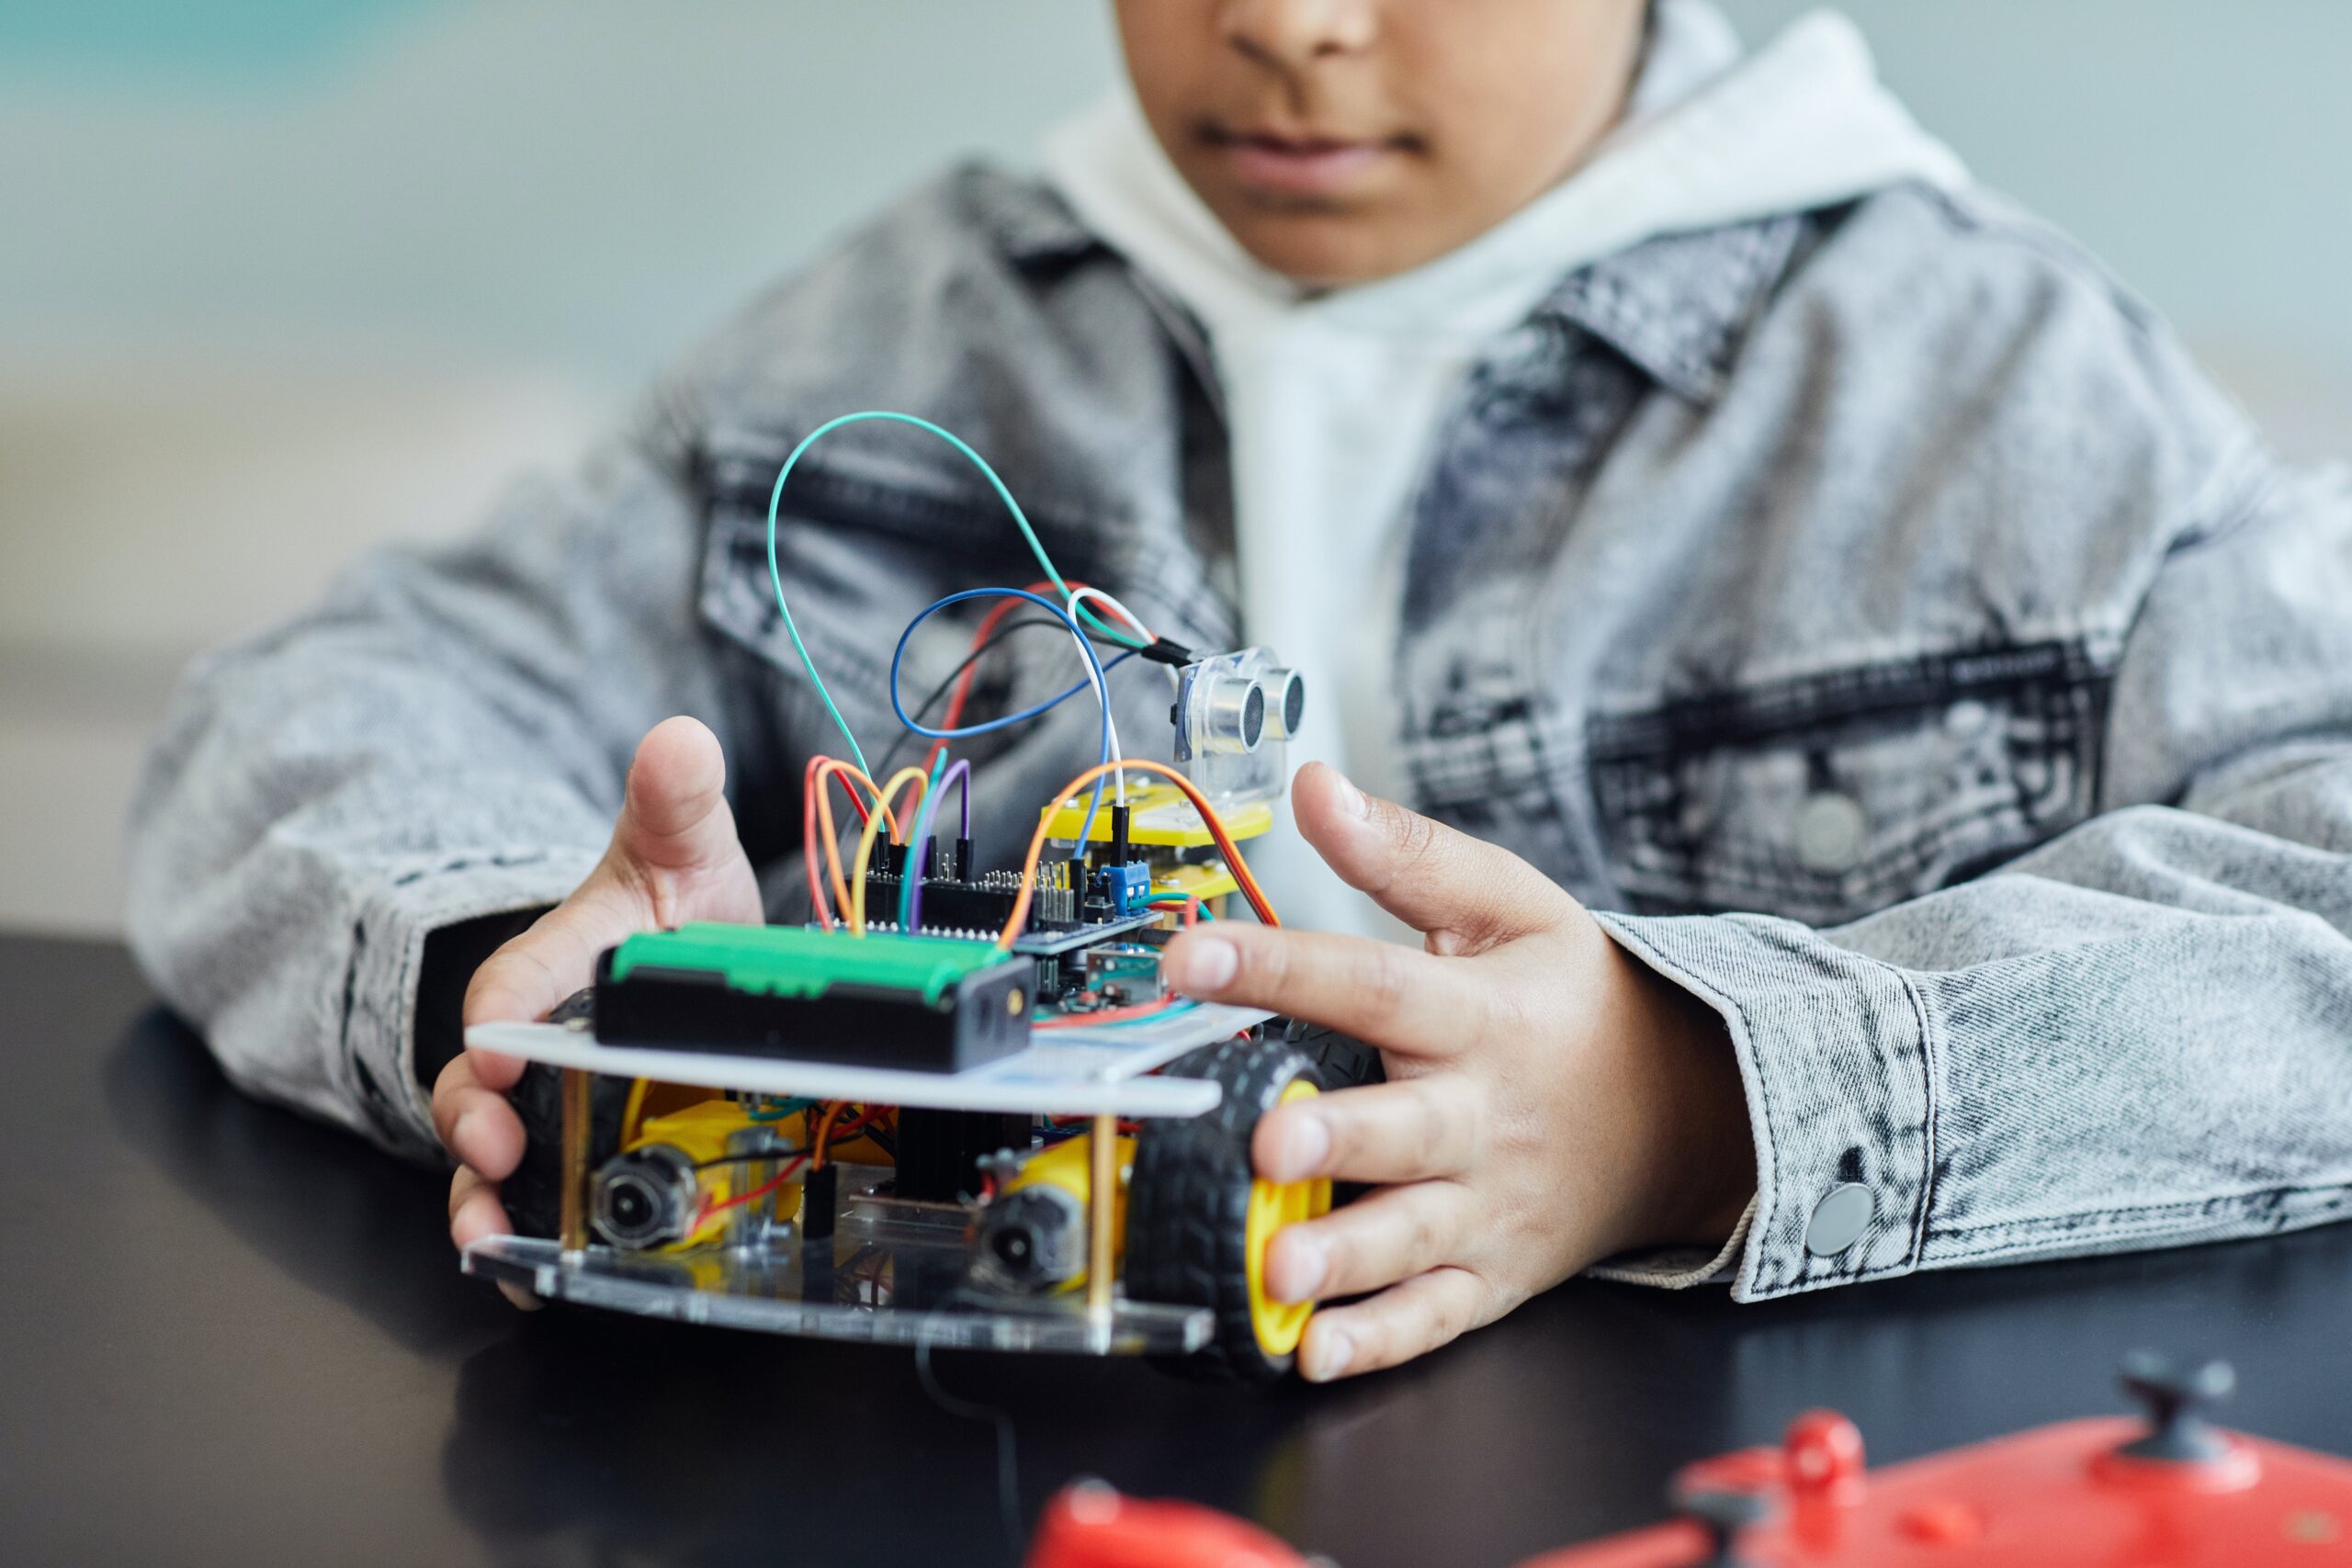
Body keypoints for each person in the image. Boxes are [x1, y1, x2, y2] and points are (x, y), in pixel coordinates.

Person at [127, 0, 2352, 1383]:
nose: (1286, 23)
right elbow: (306, 701)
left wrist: (1692, 1093)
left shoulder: (1985, 391)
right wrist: (500, 966)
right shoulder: (905, 337)